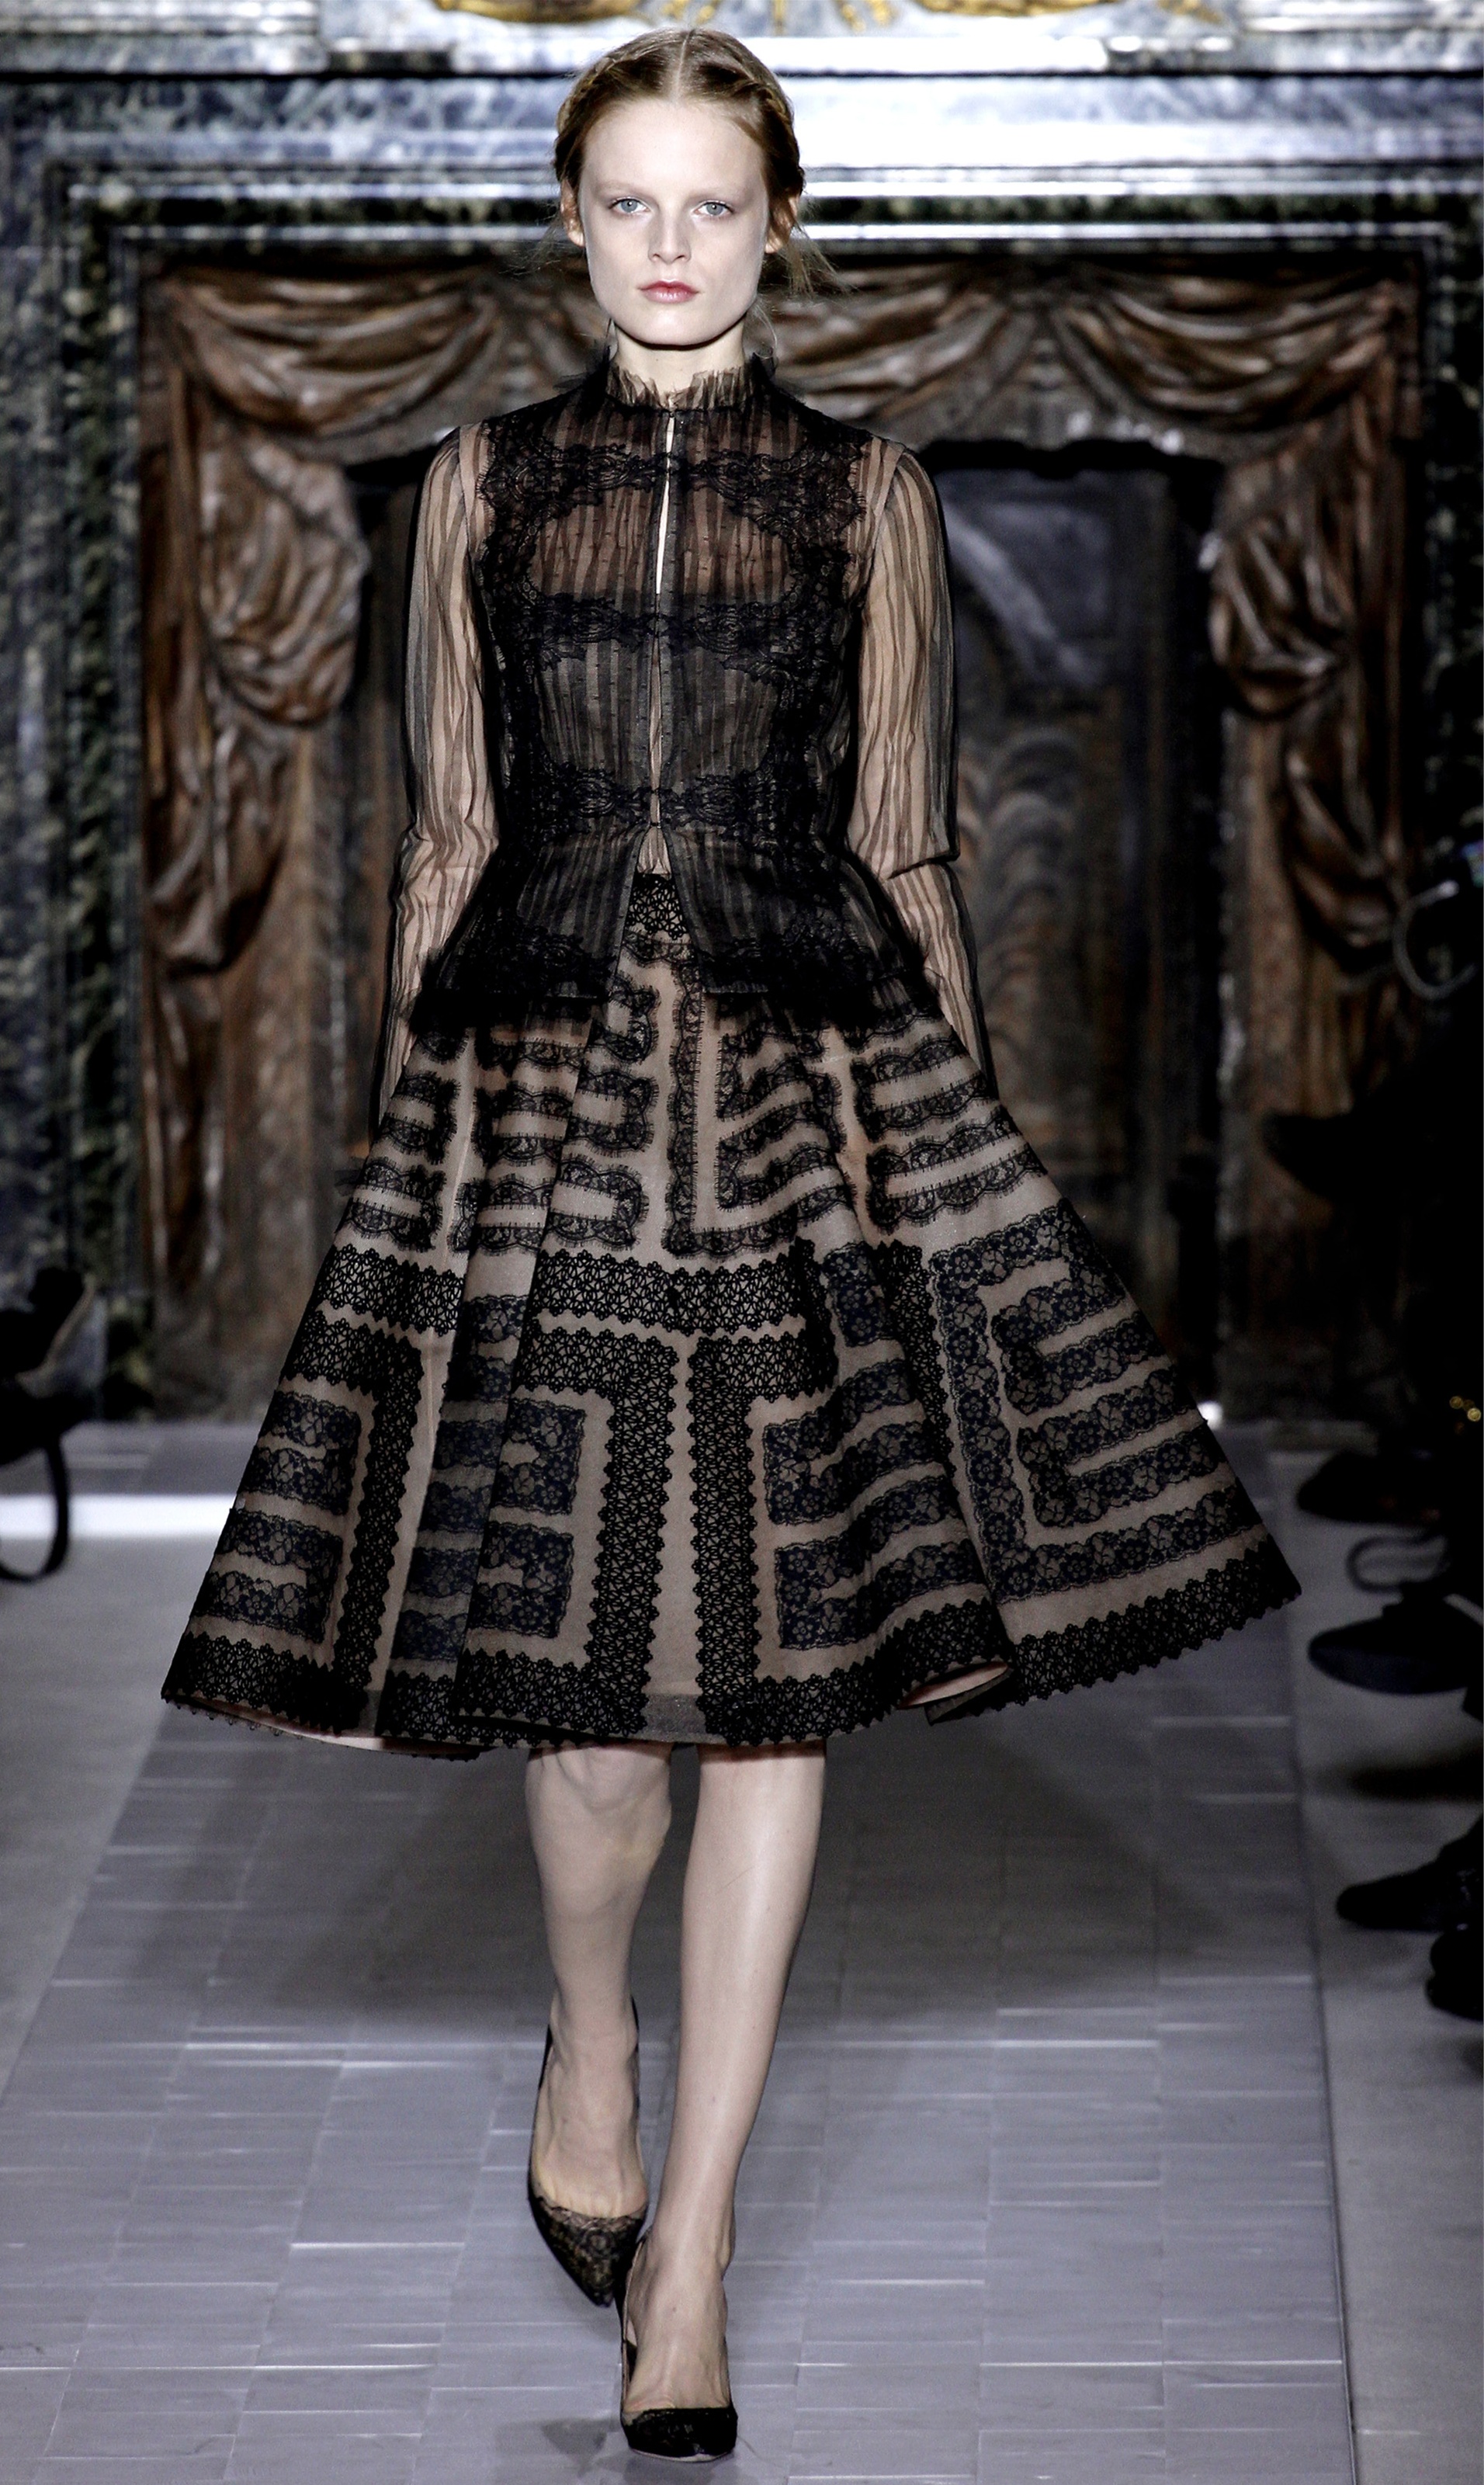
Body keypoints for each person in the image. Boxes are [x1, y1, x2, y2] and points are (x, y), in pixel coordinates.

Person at [163, 29, 1298, 2459]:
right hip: (550, 1111)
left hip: (794, 1109)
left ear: (783, 225)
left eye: (712, 203)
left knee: (777, 1688)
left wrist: (952, 1176)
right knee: (592, 1724)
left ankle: (692, 2254)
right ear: (567, 224)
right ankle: (590, 2041)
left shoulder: (865, 491)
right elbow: (447, 843)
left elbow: (904, 844)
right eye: (628, 202)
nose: (670, 247)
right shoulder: (479, 483)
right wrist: (407, 1173)